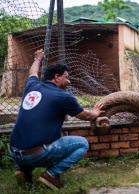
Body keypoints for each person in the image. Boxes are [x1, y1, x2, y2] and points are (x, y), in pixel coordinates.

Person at [9, 48, 104, 190]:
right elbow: (87, 116)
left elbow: (32, 72)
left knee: (35, 140)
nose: (69, 81)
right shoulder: (63, 96)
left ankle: (23, 170)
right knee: (82, 144)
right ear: (57, 77)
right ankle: (51, 175)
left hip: (14, 152)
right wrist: (96, 112)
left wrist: (37, 58)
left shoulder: (32, 86)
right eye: (67, 77)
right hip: (36, 155)